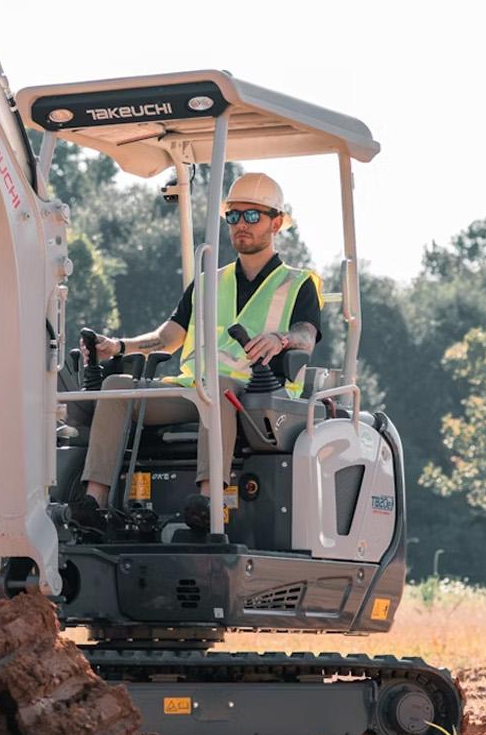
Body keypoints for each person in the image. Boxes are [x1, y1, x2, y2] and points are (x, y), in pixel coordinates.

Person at [70, 171, 322, 533]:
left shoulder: (298, 284)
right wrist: (118, 346)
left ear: (277, 222)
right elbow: (167, 337)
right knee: (115, 387)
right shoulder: (207, 283)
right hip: (193, 389)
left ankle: (208, 502)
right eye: (233, 215)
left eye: (252, 216)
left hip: (256, 397)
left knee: (217, 388)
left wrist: (280, 339)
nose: (241, 224)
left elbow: (306, 336)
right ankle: (93, 503)